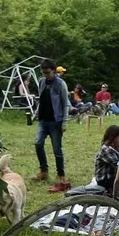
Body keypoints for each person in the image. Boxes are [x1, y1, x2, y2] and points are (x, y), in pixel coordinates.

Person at [33, 60, 71, 193]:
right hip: (43, 120)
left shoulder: (61, 84)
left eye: (48, 72)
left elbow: (65, 103)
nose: (46, 75)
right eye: (43, 73)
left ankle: (61, 175)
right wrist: (35, 115)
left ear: (54, 71)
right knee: (38, 143)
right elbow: (41, 100)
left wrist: (64, 122)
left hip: (56, 121)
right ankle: (43, 171)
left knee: (57, 150)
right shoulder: (42, 81)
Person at [94, 124, 119, 193]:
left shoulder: (117, 148)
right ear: (112, 137)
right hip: (105, 181)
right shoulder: (106, 150)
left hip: (112, 176)